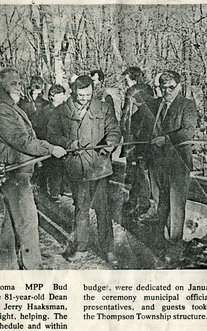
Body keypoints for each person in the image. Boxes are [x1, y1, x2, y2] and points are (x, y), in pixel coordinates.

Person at [0, 68, 67, 270]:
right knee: (27, 221)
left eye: (20, 82)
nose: (20, 86)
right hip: (13, 171)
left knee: (12, 223)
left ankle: (8, 268)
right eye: (14, 83)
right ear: (1, 86)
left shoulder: (5, 105)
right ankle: (33, 268)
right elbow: (21, 140)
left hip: (16, 169)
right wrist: (50, 148)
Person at [47, 75, 121, 264]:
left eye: (88, 94)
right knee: (81, 209)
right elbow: (52, 134)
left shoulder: (103, 108)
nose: (84, 98)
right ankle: (81, 248)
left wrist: (110, 143)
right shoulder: (62, 111)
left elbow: (114, 129)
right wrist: (69, 143)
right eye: (81, 95)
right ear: (73, 91)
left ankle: (109, 250)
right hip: (77, 168)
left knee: (103, 210)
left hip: (99, 166)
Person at [148, 70, 197, 244]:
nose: (167, 91)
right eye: (163, 87)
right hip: (157, 161)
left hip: (178, 162)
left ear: (179, 86)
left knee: (176, 205)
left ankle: (175, 244)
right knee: (160, 201)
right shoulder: (156, 105)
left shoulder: (187, 104)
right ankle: (161, 239)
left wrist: (167, 139)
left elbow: (188, 131)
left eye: (171, 87)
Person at [119, 67, 154, 219]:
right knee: (138, 171)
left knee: (139, 172)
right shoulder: (144, 91)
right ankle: (134, 201)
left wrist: (127, 140)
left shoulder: (135, 92)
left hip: (136, 139)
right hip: (140, 138)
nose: (125, 82)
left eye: (126, 79)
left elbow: (127, 118)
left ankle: (143, 204)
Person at [34, 84, 67, 199]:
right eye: (61, 95)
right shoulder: (47, 111)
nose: (64, 97)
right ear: (53, 96)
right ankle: (53, 193)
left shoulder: (61, 110)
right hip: (50, 145)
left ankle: (57, 190)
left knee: (58, 169)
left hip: (58, 143)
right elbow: (42, 131)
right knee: (54, 169)